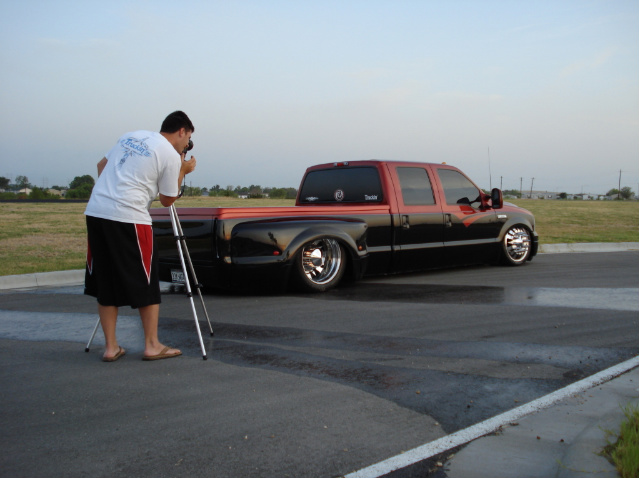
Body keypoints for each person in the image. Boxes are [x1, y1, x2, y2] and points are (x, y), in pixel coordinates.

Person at [84, 111, 197, 362]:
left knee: (106, 279)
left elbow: (101, 166)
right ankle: (152, 344)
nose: (186, 144)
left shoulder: (132, 136)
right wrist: (182, 170)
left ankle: (111, 347)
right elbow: (168, 199)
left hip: (97, 211)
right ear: (182, 131)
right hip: (130, 217)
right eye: (188, 138)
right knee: (145, 278)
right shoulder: (169, 154)